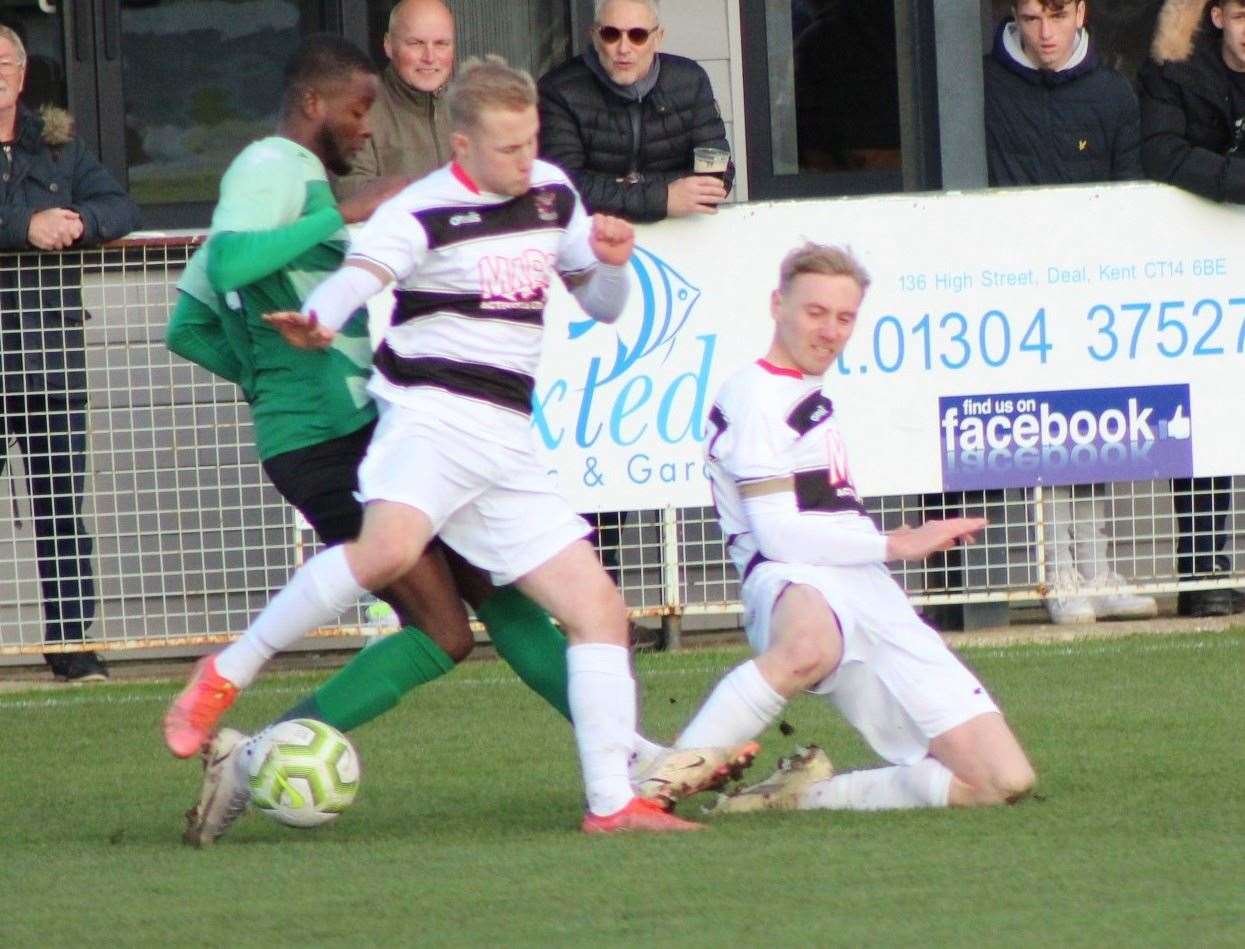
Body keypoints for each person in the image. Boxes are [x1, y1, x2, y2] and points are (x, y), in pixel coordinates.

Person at [165, 54, 738, 835]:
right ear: (461, 146)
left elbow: (600, 307)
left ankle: (614, 802)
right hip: (430, 420)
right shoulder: (421, 210)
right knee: (386, 555)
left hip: (506, 440)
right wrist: (323, 317)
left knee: (597, 609)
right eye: (508, 147)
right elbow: (364, 272)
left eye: (532, 140)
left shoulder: (552, 192)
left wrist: (614, 265)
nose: (525, 159)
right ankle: (226, 671)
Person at [662, 242, 1037, 815]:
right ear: (776, 306)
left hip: (863, 583)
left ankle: (801, 796)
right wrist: (897, 542)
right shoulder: (755, 395)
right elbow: (779, 536)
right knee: (808, 647)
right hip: (791, 578)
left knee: (1002, 781)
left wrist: (880, 551)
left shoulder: (800, 393)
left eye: (844, 318)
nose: (831, 331)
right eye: (816, 313)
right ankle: (657, 788)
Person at [983, 0, 1157, 625]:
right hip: (1011, 291)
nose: (1045, 33)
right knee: (1038, 428)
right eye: (1032, 19)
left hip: (1090, 289)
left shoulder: (1111, 92)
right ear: (1014, 16)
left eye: (1057, 16)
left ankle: (1097, 564)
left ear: (1082, 12)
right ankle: (1056, 569)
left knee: (1091, 427)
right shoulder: (981, 83)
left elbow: (1128, 191)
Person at [0, 24, 140, 682]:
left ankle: (73, 646)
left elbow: (120, 204)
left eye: (5, 62)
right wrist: (22, 227)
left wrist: (80, 223)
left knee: (61, 508)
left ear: (24, 75)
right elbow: (20, 225)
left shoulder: (60, 145)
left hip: (50, 357)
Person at [1139, 0, 1245, 617]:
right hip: (1193, 280)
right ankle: (1203, 572)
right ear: (1217, 19)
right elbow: (1162, 154)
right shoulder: (1175, 72)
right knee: (1202, 418)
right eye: (1240, 17)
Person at [537, 0, 732, 223]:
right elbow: (563, 187)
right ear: (595, 36)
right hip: (590, 240)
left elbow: (718, 172)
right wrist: (663, 197)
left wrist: (623, 189)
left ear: (658, 38)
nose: (623, 48)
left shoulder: (690, 80)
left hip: (680, 236)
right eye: (611, 34)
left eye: (637, 35)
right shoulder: (559, 90)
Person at [334, 0, 454, 200]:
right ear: (388, 46)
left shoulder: (469, 107)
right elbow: (349, 192)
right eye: (416, 43)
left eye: (441, 44)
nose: (430, 57)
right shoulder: (361, 110)